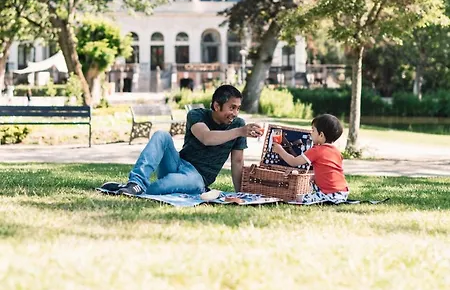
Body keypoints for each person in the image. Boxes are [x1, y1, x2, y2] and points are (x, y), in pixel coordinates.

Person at [102, 85, 263, 196]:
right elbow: (206, 138)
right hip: (177, 164)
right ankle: (135, 183)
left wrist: (240, 193)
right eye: (232, 107)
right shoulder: (197, 115)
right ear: (216, 105)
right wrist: (240, 132)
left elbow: (237, 161)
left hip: (197, 178)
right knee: (161, 135)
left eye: (238, 108)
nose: (235, 113)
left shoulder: (238, 125)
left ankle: (131, 189)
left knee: (160, 187)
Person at [272, 114, 349, 204]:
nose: (310, 133)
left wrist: (280, 150)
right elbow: (330, 170)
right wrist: (315, 176)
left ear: (321, 135)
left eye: (313, 130)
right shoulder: (336, 151)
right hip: (343, 192)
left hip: (330, 194)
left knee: (296, 198)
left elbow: (293, 162)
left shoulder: (316, 150)